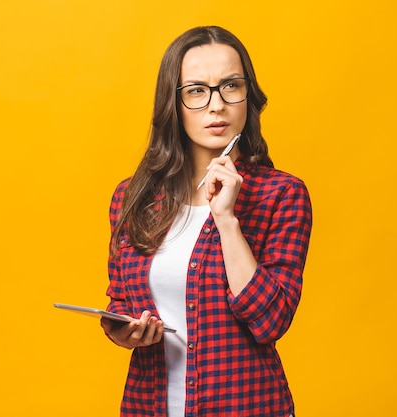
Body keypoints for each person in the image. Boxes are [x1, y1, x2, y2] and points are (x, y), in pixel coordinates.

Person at [100, 26, 313, 417]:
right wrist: (124, 332)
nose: (216, 105)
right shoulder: (132, 198)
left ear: (248, 96)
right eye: (196, 90)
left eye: (231, 86)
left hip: (246, 407)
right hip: (148, 406)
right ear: (173, 103)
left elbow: (270, 321)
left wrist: (227, 220)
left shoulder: (281, 196)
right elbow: (119, 304)